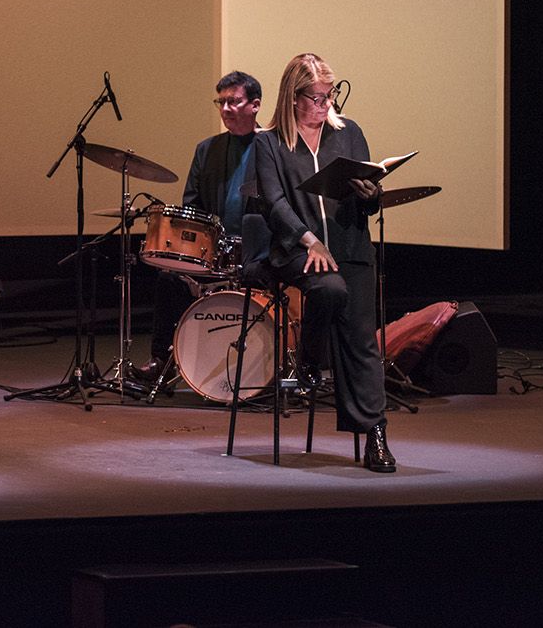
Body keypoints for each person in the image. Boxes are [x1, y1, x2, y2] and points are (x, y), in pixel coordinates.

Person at [253, 52, 396, 472]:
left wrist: (372, 195)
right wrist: (310, 239)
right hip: (298, 249)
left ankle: (375, 435)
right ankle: (311, 358)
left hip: (350, 247)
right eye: (315, 97)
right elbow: (274, 202)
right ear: (293, 98)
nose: (325, 104)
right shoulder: (270, 142)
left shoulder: (348, 134)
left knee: (363, 342)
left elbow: (367, 199)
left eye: (329, 95)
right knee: (329, 289)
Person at [133, 71, 264, 384]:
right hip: (214, 253)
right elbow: (192, 207)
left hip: (258, 252)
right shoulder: (207, 150)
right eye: (221, 102)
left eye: (234, 101)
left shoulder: (272, 147)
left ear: (255, 105)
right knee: (169, 278)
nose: (226, 109)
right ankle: (160, 362)